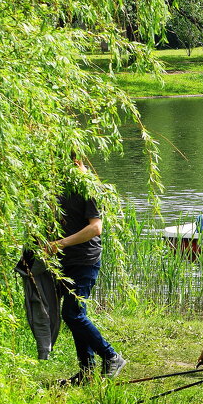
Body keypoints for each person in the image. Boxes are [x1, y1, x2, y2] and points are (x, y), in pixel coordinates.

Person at [48, 157, 127, 385]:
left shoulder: (89, 187)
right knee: (75, 316)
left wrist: (59, 244)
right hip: (66, 262)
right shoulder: (60, 186)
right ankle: (87, 372)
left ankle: (111, 356)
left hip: (85, 260)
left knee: (72, 314)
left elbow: (96, 228)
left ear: (75, 160)